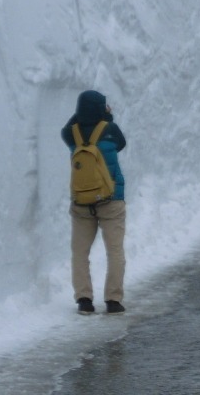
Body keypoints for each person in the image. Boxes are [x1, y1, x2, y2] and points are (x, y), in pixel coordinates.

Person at [60, 90, 128, 315]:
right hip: (111, 199)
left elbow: (65, 129)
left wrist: (80, 117)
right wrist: (106, 118)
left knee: (80, 252)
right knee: (114, 251)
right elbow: (120, 144)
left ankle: (84, 300)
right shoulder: (110, 130)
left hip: (81, 201)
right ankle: (113, 300)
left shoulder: (72, 134)